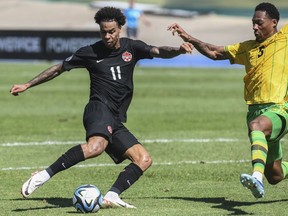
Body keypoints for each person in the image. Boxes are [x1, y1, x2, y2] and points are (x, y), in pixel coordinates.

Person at [10, 7, 192, 208]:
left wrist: (178, 51)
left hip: (114, 117)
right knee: (96, 147)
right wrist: (27, 84)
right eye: (103, 31)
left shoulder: (132, 48)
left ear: (120, 29)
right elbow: (58, 69)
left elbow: (159, 51)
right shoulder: (90, 52)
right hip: (98, 109)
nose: (107, 35)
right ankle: (42, 176)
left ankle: (112, 195)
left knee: (143, 159)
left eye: (111, 31)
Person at [168, 2, 288, 199]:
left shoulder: (285, 38)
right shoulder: (247, 48)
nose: (254, 27)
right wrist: (188, 37)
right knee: (275, 175)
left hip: (280, 108)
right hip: (255, 110)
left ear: (274, 22)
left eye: (259, 23)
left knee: (257, 126)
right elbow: (214, 52)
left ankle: (256, 177)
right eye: (253, 23)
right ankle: (264, 174)